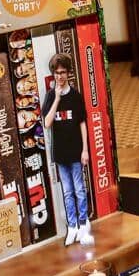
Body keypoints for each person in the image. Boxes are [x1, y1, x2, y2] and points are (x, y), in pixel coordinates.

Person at [42, 53, 93, 247]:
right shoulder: (50, 96)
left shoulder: (76, 96)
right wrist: (56, 98)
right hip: (60, 153)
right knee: (67, 192)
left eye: (63, 72)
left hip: (76, 151)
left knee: (79, 190)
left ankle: (83, 224)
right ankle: (72, 227)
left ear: (68, 73)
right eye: (56, 73)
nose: (60, 76)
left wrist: (85, 150)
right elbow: (47, 123)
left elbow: (82, 123)